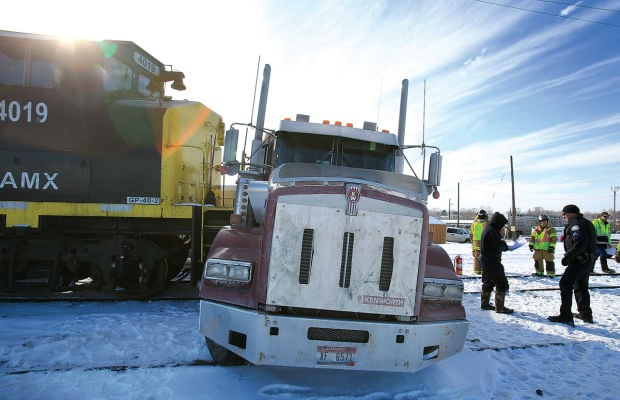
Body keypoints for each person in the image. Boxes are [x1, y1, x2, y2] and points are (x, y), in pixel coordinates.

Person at [548, 204, 597, 326]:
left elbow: (580, 243)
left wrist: (567, 256)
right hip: (587, 260)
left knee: (565, 284)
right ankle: (585, 314)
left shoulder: (577, 224)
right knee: (581, 285)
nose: (563, 216)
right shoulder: (584, 222)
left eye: (564, 214)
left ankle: (565, 315)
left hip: (579, 260)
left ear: (571, 213)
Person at [479, 212, 514, 313]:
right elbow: (497, 245)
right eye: (502, 225)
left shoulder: (488, 228)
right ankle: (500, 307)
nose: (502, 227)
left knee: (488, 282)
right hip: (492, 261)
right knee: (502, 283)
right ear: (498, 223)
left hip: (485, 260)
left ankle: (485, 304)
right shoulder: (493, 231)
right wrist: (506, 247)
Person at [470, 210, 488, 275]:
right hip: (483, 242)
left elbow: (471, 234)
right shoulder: (485, 224)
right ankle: (484, 271)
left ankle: (477, 270)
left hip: (475, 243)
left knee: (476, 256)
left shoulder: (474, 224)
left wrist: (473, 242)